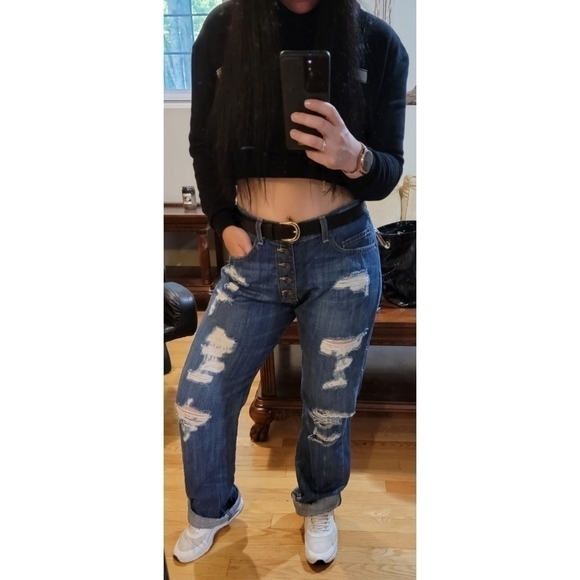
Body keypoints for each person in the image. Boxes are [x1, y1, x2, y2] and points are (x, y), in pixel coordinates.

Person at [173, 0, 409, 565]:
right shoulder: (224, 29)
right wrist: (222, 221)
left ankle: (319, 504)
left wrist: (354, 156)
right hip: (252, 253)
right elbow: (204, 142)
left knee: (329, 405)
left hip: (340, 255)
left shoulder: (377, 42)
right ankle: (213, 507)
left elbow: (389, 169)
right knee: (199, 395)